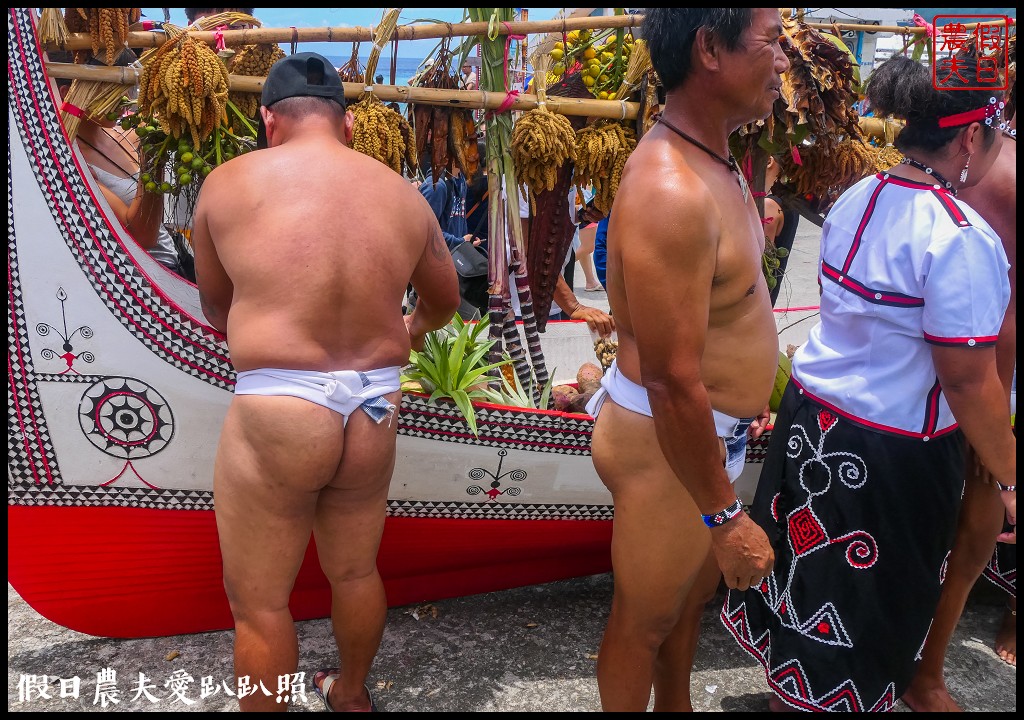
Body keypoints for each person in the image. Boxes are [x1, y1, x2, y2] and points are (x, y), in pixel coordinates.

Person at [723, 54, 1015, 712]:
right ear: (971, 138)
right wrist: (1011, 478)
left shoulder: (859, 196)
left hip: (813, 422)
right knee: (862, 609)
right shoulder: (959, 236)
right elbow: (969, 383)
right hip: (888, 454)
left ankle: (788, 701)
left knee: (811, 592)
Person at [191, 51, 460, 712]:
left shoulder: (228, 184)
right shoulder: (400, 194)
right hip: (371, 403)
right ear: (345, 124)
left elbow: (217, 307)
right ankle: (352, 694)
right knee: (355, 569)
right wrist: (411, 330)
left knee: (259, 603)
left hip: (281, 404)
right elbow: (446, 299)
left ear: (268, 120)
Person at [585, 9, 787, 711]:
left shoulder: (715, 159)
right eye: (772, 42)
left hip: (705, 438)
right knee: (643, 622)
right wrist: (725, 516)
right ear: (709, 49)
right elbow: (672, 380)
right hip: (667, 446)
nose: (786, 61)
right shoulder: (671, 189)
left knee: (682, 611)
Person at [903, 72, 1017, 709]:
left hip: (947, 372)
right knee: (973, 525)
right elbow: (1005, 316)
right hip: (975, 372)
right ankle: (925, 672)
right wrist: (992, 421)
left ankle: (923, 664)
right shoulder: (995, 168)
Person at [56, 48, 190, 279]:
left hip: (176, 267)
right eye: (110, 88)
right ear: (69, 92)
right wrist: (153, 159)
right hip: (138, 284)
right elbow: (143, 236)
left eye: (125, 87)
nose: (124, 99)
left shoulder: (129, 133)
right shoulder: (71, 161)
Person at [762, 155, 799, 306]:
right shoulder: (789, 201)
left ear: (768, 161)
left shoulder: (769, 205)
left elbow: (762, 267)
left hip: (756, 305)